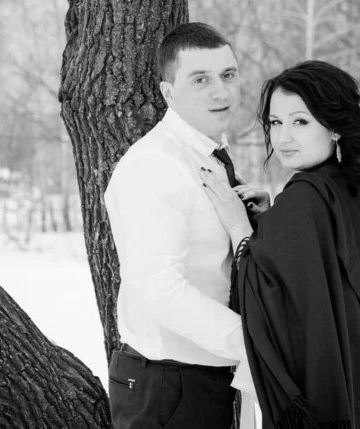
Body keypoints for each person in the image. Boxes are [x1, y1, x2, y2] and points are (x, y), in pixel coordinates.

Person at [200, 60, 360, 429]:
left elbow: (269, 293)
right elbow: (311, 276)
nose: (283, 137)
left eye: (300, 122)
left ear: (333, 127)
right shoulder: (349, 188)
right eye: (276, 122)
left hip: (313, 387)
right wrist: (273, 220)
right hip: (350, 378)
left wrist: (240, 226)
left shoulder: (304, 198)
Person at [104, 22, 262, 429]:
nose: (220, 92)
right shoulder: (156, 165)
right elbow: (159, 289)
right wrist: (254, 339)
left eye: (228, 75)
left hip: (213, 376)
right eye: (200, 79)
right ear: (168, 93)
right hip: (169, 387)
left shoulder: (209, 156)